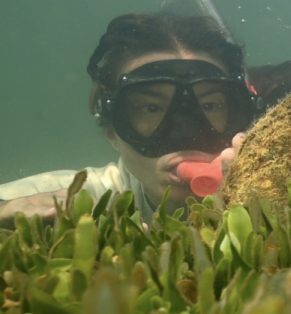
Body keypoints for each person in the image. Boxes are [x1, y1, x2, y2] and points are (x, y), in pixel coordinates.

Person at [0, 13, 263, 226]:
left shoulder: (271, 185)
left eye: (209, 105)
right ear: (112, 132)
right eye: (151, 107)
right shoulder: (87, 195)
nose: (185, 133)